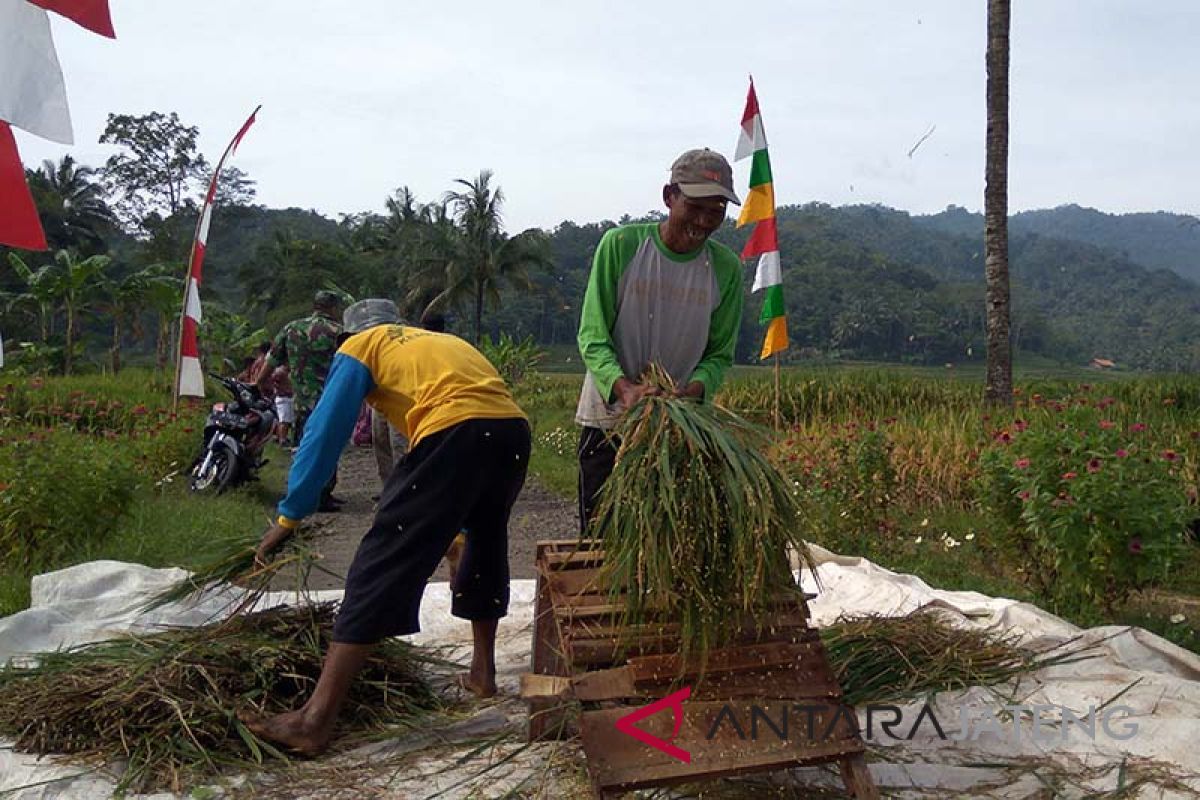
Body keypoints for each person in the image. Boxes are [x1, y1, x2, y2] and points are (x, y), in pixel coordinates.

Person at [243, 298, 530, 756]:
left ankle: (313, 721)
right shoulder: (439, 340)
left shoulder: (362, 345)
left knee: (381, 559)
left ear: (347, 336)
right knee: (484, 543)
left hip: (455, 430)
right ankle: (482, 676)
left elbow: (324, 430)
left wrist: (291, 514)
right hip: (512, 432)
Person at [575, 148, 744, 532]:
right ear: (669, 197)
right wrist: (625, 390)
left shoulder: (726, 269)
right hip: (610, 423)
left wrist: (693, 392)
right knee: (600, 543)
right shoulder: (621, 246)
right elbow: (592, 335)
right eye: (695, 206)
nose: (703, 220)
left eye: (716, 210)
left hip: (679, 430)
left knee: (670, 542)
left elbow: (719, 354)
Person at [258, 291, 344, 509]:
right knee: (327, 444)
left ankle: (303, 491)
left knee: (304, 445)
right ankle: (323, 494)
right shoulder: (337, 332)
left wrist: (258, 383)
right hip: (330, 399)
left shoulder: (291, 328)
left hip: (301, 400)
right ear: (332, 308)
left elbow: (272, 359)